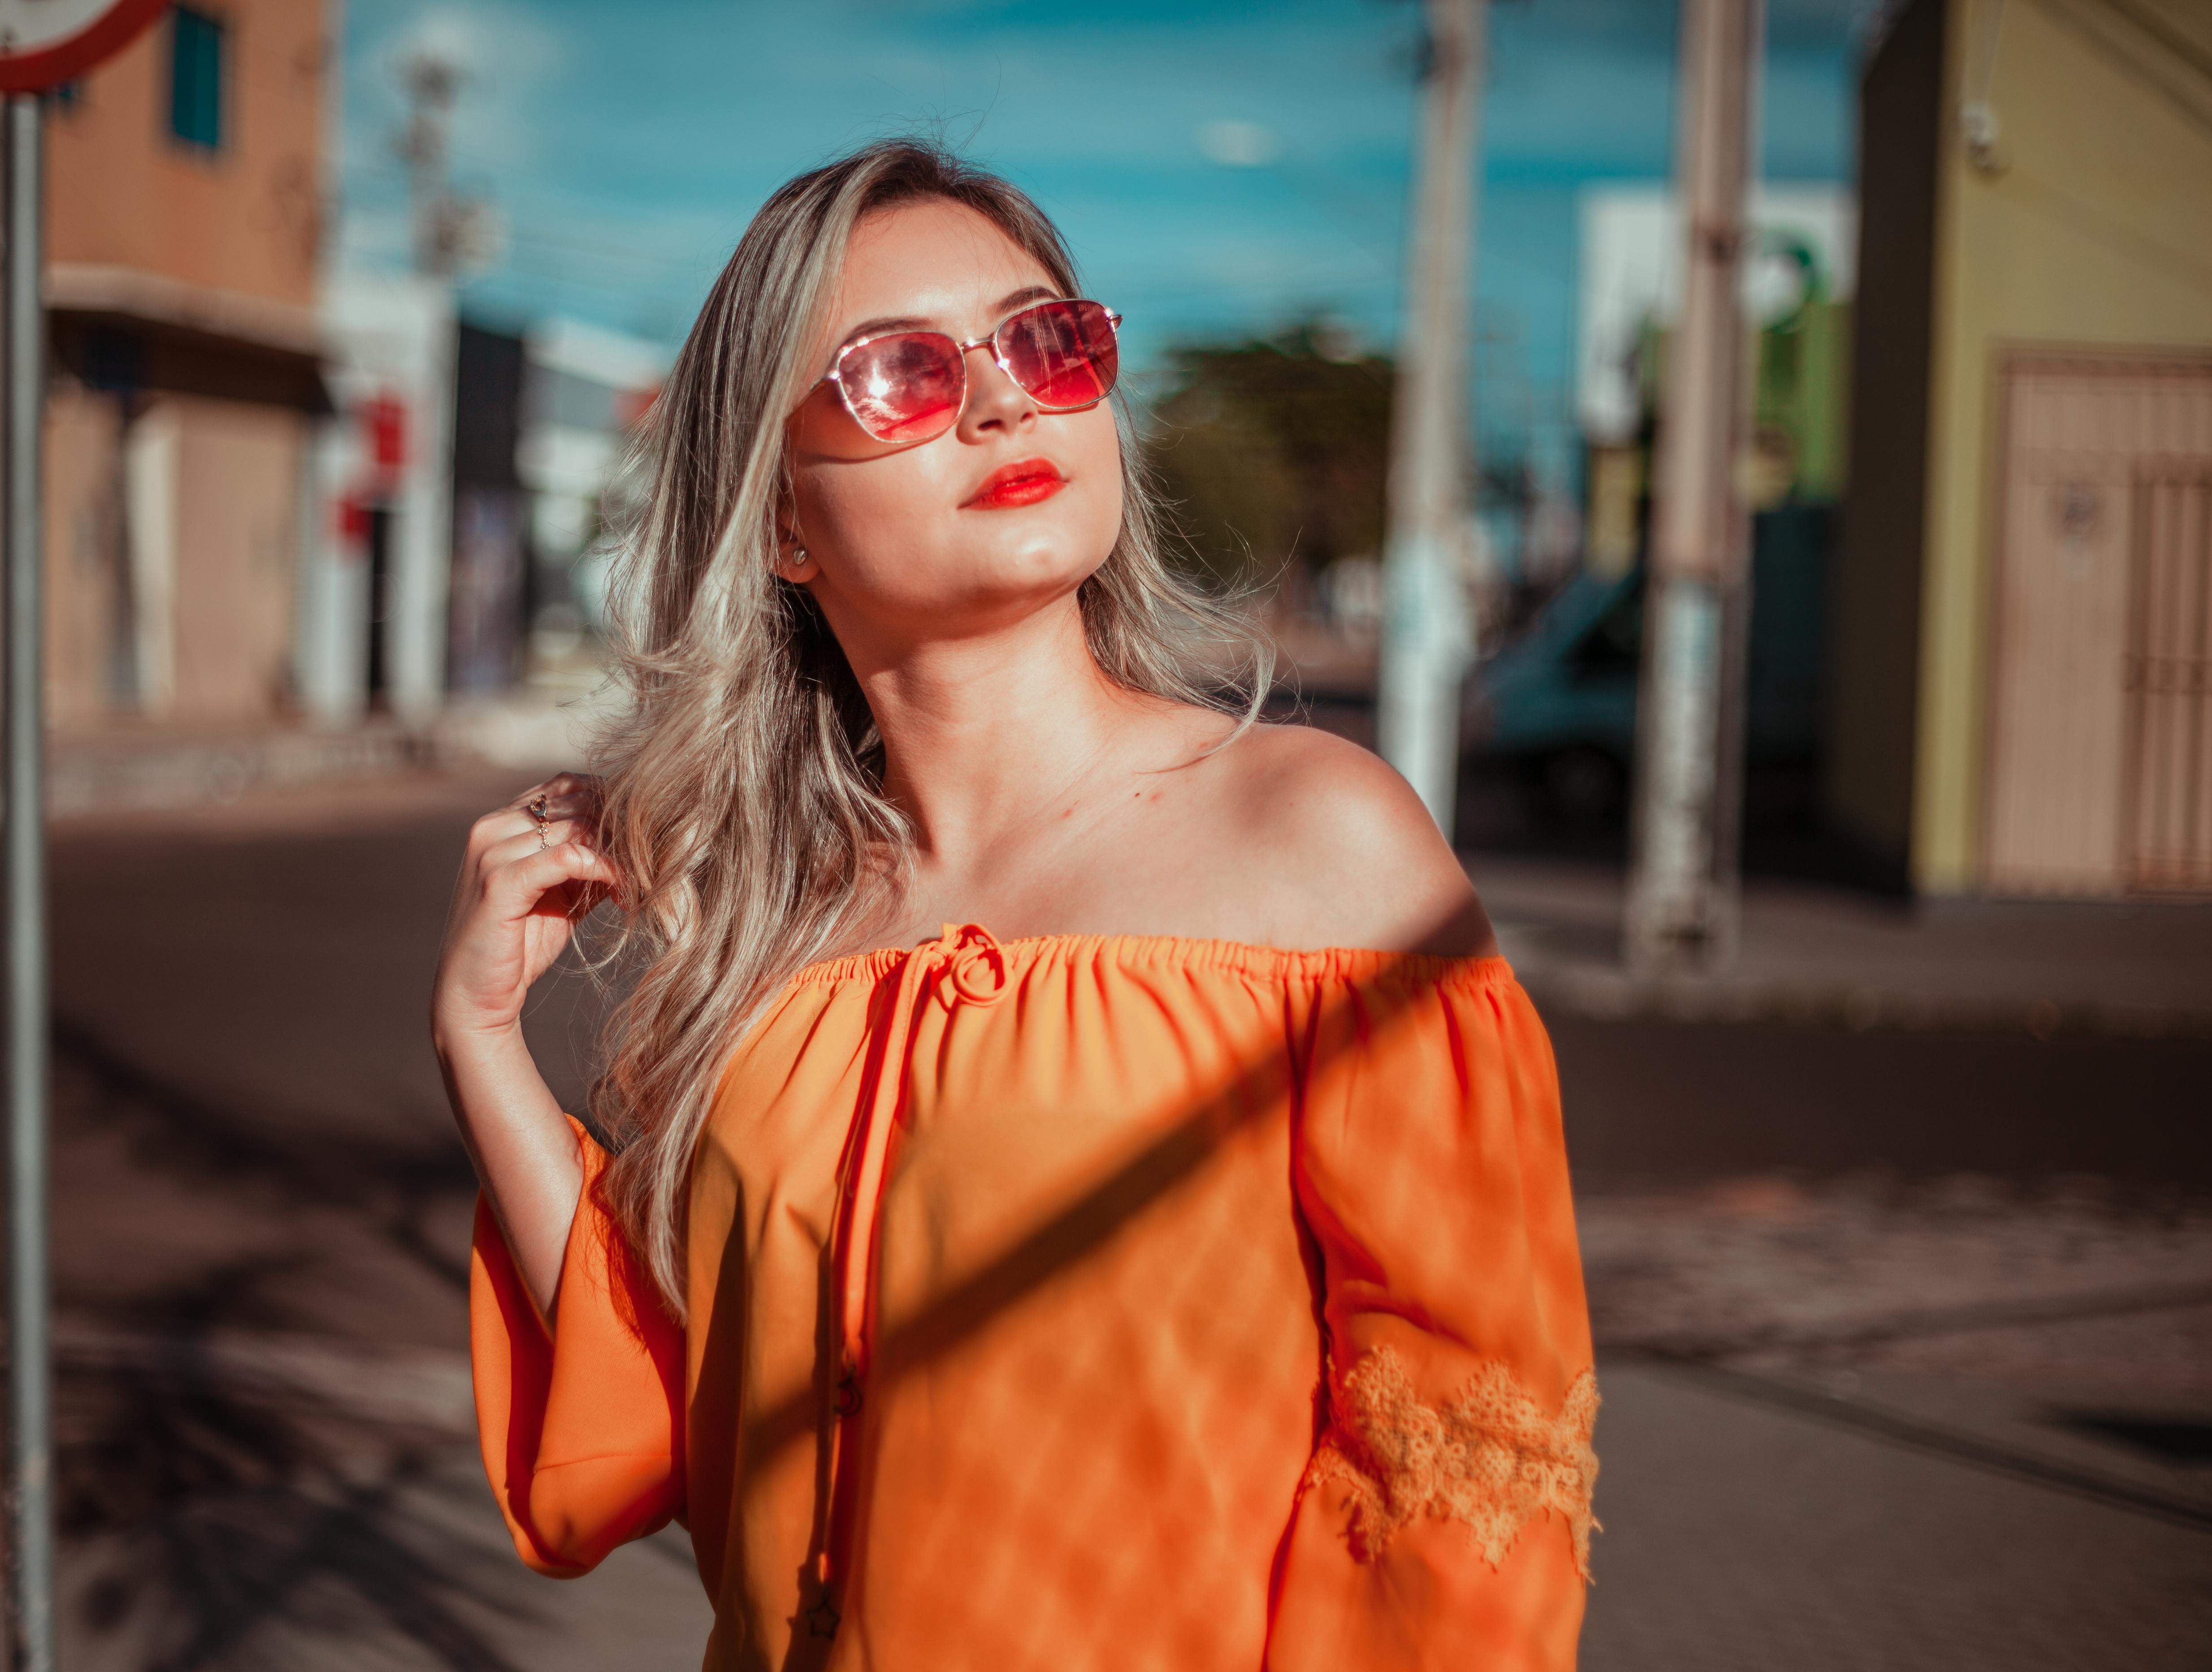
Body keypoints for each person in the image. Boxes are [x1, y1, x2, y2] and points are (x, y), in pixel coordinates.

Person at [432, 141, 1596, 1671]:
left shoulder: (1319, 844)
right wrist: (482, 1040)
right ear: (780, 522)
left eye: (1049, 342)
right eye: (896, 376)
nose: (1003, 401)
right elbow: (669, 1437)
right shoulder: (770, 943)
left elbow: (1468, 1473)